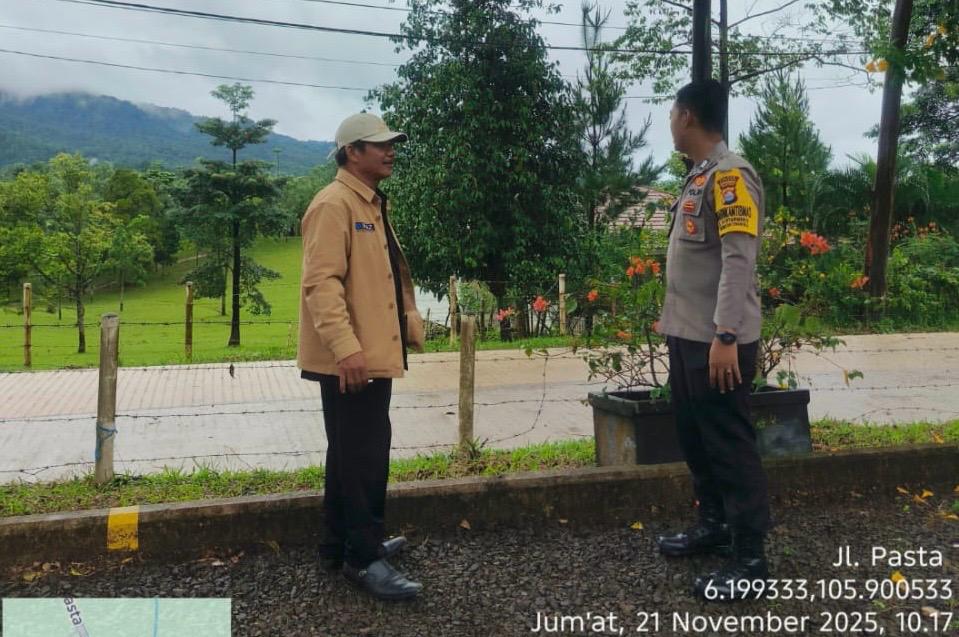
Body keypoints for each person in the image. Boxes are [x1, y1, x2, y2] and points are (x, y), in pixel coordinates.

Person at [297, 112, 426, 601]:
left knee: (349, 453)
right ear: (352, 152)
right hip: (352, 358)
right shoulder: (334, 204)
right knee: (364, 456)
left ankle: (340, 545)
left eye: (392, 143)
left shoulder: (366, 201)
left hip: (366, 352)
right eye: (379, 145)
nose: (390, 151)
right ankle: (363, 557)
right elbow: (321, 284)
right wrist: (346, 349)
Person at [654, 79, 771, 601]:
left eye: (672, 113)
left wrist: (726, 334)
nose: (670, 122)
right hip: (688, 335)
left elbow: (738, 259)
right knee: (696, 438)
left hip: (717, 340)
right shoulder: (700, 175)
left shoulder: (730, 176)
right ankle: (715, 525)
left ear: (687, 117)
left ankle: (750, 559)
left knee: (728, 444)